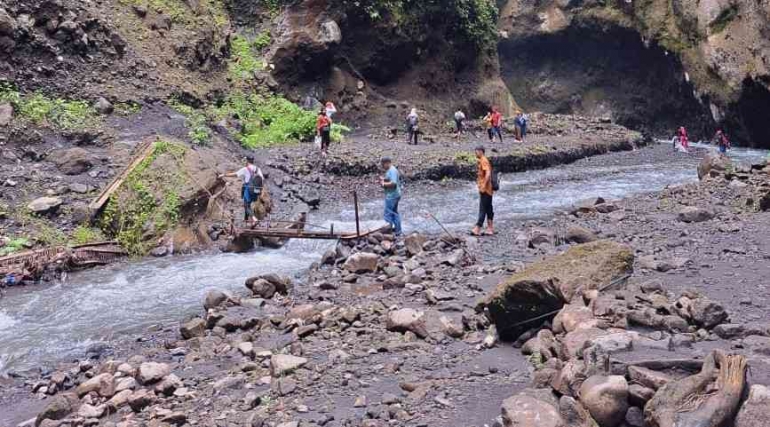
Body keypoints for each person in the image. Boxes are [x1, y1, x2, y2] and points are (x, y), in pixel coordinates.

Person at [220, 156, 263, 226]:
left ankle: (254, 219)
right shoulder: (258, 169)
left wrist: (224, 175)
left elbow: (235, 175)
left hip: (248, 189)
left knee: (246, 206)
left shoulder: (245, 169)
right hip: (256, 190)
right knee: (248, 204)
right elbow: (261, 179)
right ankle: (246, 220)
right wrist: (259, 190)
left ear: (247, 161)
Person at [471, 145, 494, 236]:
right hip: (488, 189)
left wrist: (483, 185)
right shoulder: (482, 160)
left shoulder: (484, 160)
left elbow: (488, 173)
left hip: (486, 189)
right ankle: (490, 228)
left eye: (476, 151)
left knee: (482, 208)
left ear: (481, 151)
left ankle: (477, 228)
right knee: (488, 208)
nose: (475, 153)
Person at [380, 157, 403, 236]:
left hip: (392, 195)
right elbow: (391, 180)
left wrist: (384, 184)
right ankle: (398, 231)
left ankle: (388, 232)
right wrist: (384, 179)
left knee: (388, 214)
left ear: (387, 163)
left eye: (383, 165)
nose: (382, 167)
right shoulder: (391, 170)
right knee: (394, 213)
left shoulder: (392, 170)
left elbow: (393, 183)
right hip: (395, 194)